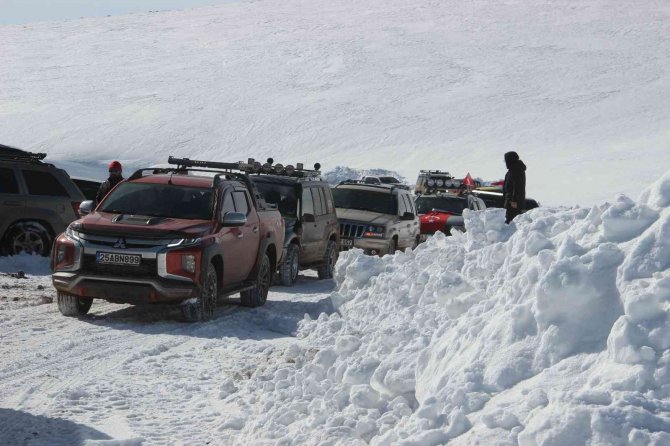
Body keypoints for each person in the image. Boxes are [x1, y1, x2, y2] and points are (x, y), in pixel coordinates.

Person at [503, 151, 526, 224]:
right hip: (512, 201)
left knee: (510, 223)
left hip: (513, 203)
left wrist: (514, 200)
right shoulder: (514, 169)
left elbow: (517, 186)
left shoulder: (516, 169)